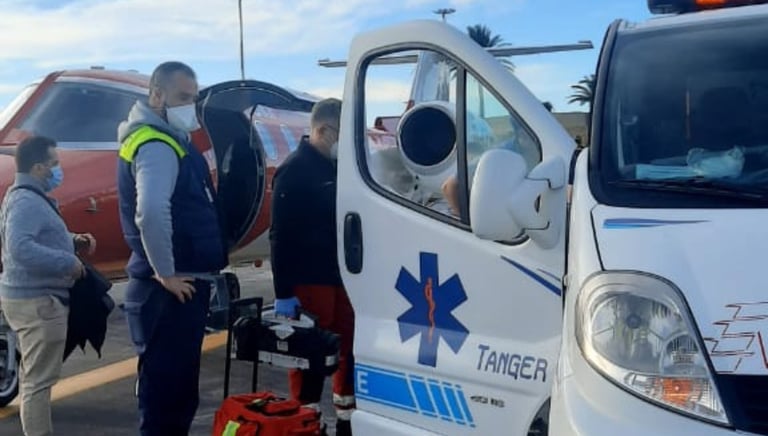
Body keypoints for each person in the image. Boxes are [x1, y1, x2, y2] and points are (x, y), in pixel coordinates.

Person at [116, 61, 228, 436]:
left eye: (193, 99)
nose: (189, 107)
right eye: (182, 97)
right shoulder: (156, 144)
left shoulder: (170, 141)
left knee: (175, 398)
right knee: (167, 403)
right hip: (167, 293)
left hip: (176, 289)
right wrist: (165, 272)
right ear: (156, 95)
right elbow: (150, 211)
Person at [269, 98, 355, 436]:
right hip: (309, 279)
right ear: (323, 130)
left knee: (347, 348)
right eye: (342, 133)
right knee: (309, 356)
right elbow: (280, 236)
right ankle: (305, 422)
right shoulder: (294, 171)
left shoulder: (338, 168)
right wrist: (283, 292)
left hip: (341, 276)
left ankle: (347, 419)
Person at [0, 135, 96, 436]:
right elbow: (19, 247)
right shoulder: (26, 201)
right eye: (54, 163)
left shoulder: (27, 197)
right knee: (38, 383)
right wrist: (68, 262)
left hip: (34, 299)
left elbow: (39, 235)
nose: (58, 169)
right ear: (39, 167)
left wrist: (73, 241)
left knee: (36, 378)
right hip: (38, 303)